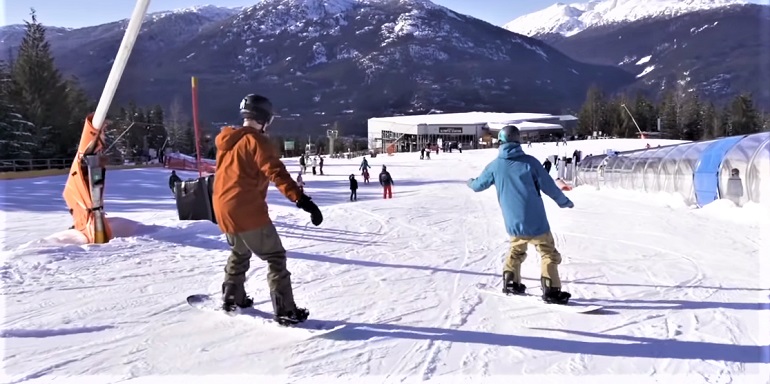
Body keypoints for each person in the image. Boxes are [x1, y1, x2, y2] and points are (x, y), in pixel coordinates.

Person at [211, 93, 323, 325]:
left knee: (240, 251)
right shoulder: (257, 141)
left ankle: (232, 296)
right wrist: (302, 200)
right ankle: (285, 309)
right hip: (246, 208)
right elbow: (276, 173)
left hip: (222, 207)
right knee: (275, 256)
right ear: (265, 118)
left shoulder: (226, 139)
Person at [466, 125, 574, 305]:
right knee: (548, 253)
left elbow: (478, 185)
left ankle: (510, 282)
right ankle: (551, 290)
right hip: (536, 221)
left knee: (516, 250)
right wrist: (564, 202)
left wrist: (470, 182)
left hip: (513, 221)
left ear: (500, 142)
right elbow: (549, 186)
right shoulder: (530, 163)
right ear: (518, 141)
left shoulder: (495, 166)